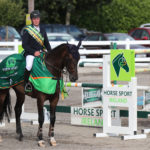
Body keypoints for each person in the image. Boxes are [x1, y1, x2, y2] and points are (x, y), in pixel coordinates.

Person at [22, 10, 51, 92]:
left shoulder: (42, 29)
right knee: (29, 65)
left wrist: (50, 52)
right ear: (31, 20)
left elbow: (46, 43)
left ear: (39, 19)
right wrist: (33, 52)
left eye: (37, 18)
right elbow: (24, 45)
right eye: (34, 19)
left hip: (41, 52)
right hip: (31, 53)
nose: (36, 20)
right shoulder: (27, 30)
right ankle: (26, 83)